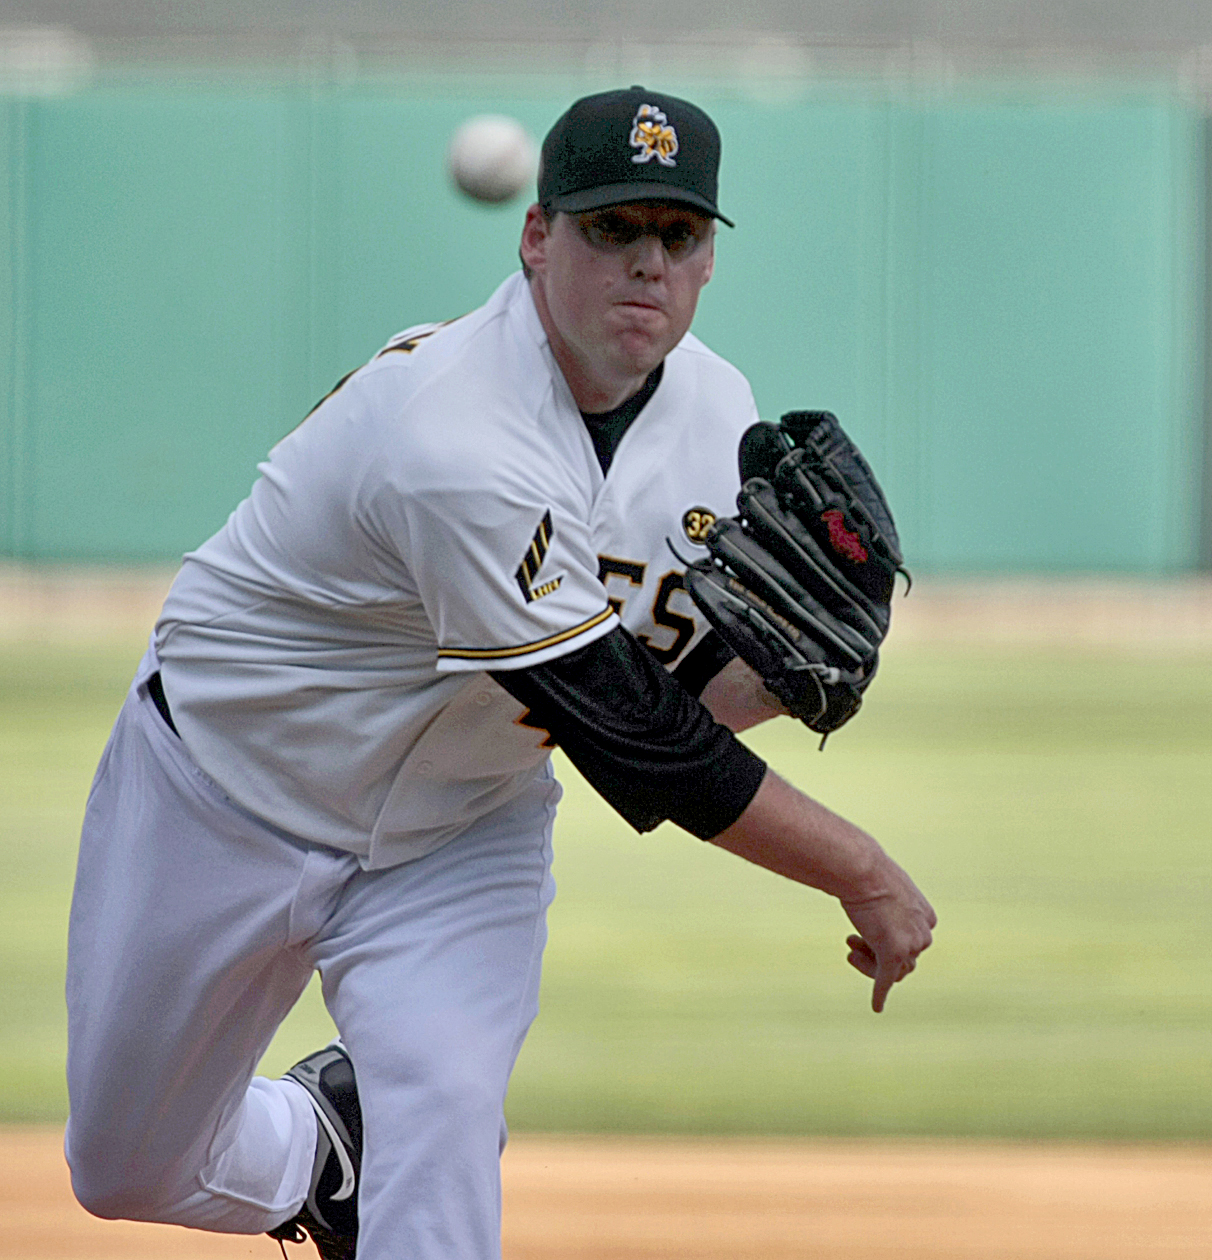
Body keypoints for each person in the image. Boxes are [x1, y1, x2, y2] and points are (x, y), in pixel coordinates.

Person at [61, 86, 937, 1260]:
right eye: (611, 228)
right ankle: (325, 1147)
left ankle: (386, 1156)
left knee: (444, 1130)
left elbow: (678, 699)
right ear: (539, 237)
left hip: (459, 830)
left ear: (709, 261)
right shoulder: (450, 433)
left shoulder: (717, 417)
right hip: (220, 789)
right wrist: (863, 870)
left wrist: (777, 680)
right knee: (125, 1167)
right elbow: (633, 739)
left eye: (677, 237)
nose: (647, 265)